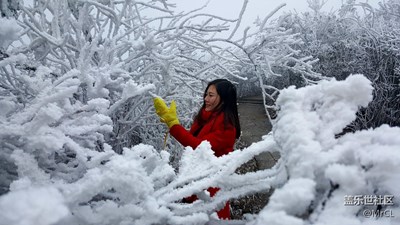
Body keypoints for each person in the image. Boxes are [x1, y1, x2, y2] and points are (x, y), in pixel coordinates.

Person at [153, 78, 241, 220]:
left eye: (211, 95)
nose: (206, 99)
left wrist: (174, 125)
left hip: (211, 190)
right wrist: (174, 124)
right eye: (206, 94)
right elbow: (195, 139)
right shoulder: (206, 118)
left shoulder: (227, 126)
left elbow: (199, 146)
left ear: (223, 99)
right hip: (196, 182)